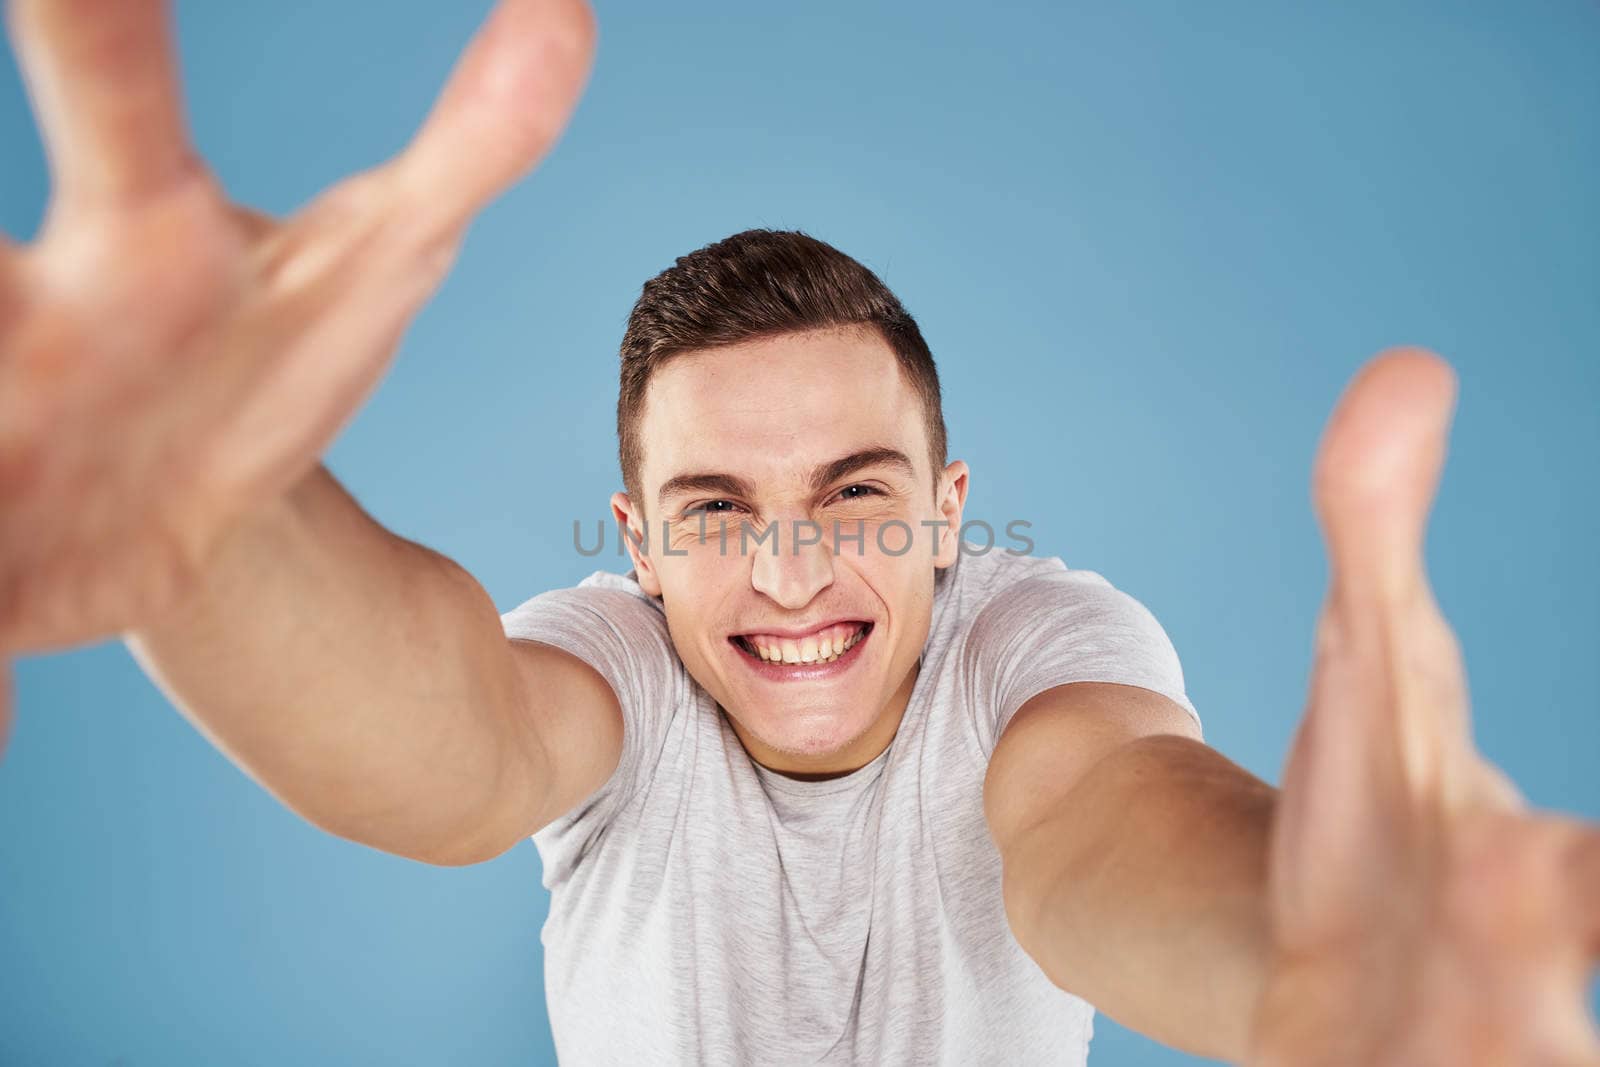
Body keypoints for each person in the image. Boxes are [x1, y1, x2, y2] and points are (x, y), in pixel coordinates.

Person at [0, 1, 1595, 1064]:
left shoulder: (1043, 653)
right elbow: (451, 753)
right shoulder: (616, 667)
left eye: (853, 494)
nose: (788, 573)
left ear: (952, 513)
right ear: (636, 543)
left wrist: (1281, 966)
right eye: (715, 512)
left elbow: (1107, 819)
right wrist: (218, 534)